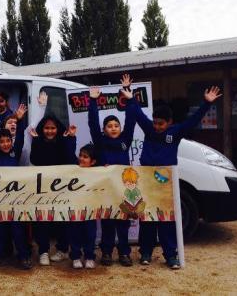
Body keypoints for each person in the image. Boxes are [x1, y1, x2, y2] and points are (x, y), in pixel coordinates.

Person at [132, 77, 222, 269]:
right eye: (155, 123)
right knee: (147, 218)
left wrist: (206, 103)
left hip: (166, 182)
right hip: (147, 180)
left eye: (161, 124)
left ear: (169, 123)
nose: (157, 127)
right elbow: (138, 114)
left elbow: (193, 121)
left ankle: (170, 255)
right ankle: (146, 252)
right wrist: (129, 97)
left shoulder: (176, 132)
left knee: (166, 220)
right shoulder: (149, 129)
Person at [88, 75, 136, 267]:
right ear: (104, 129)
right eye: (109, 126)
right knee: (108, 222)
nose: (113, 128)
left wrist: (130, 97)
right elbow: (92, 123)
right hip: (107, 190)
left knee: (123, 223)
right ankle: (106, 252)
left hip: (124, 189)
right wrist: (93, 101)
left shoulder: (125, 140)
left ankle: (124, 253)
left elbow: (132, 120)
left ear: (120, 127)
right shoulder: (100, 143)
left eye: (116, 125)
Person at [0, 104, 32, 270]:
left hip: (15, 200)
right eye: (1, 142)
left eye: (7, 141)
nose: (5, 144)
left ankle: (24, 256)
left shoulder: (15, 152)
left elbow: (20, 139)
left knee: (18, 230)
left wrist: (19, 119)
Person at [29, 115, 76, 266]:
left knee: (62, 219)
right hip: (43, 189)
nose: (50, 131)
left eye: (53, 128)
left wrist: (71, 139)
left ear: (58, 129)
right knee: (42, 220)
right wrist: (36, 141)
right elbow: (35, 160)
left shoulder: (64, 141)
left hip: (62, 189)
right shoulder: (38, 141)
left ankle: (62, 250)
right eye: (47, 128)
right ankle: (43, 251)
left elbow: (70, 159)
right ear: (42, 129)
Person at [68, 143, 98, 269]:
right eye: (80, 155)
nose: (81, 158)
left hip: (91, 210)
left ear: (93, 161)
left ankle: (89, 256)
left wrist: (107, 170)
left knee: (90, 234)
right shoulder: (73, 171)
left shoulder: (98, 173)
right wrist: (71, 138)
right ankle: (75, 257)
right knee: (74, 233)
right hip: (75, 209)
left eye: (85, 157)